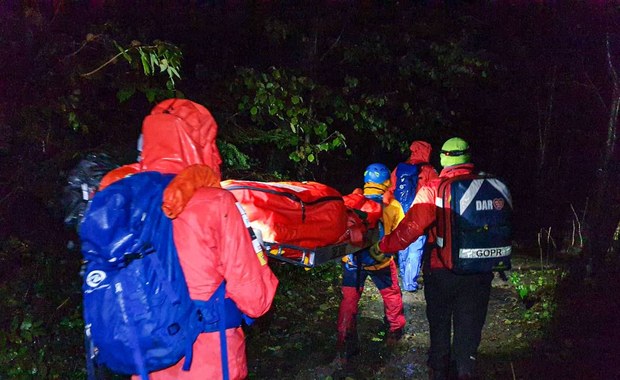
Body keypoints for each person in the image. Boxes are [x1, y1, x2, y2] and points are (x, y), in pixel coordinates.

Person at [124, 99, 279, 380]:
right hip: (209, 360)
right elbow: (256, 299)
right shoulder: (217, 203)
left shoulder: (125, 206)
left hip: (147, 360)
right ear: (203, 144)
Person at [371, 137, 493, 380]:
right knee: (468, 327)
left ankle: (438, 369)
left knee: (439, 324)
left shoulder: (433, 188)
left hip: (441, 270)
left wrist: (384, 245)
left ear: (444, 158)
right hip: (480, 269)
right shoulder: (487, 186)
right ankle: (465, 368)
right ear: (468, 157)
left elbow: (411, 228)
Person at [336, 163, 406, 361]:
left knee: (349, 299)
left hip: (352, 260)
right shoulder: (392, 206)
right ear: (386, 182)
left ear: (366, 181)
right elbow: (400, 232)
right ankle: (395, 330)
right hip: (380, 260)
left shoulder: (350, 201)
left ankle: (344, 336)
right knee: (391, 294)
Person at [388, 140, 438, 292]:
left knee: (403, 245)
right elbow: (435, 192)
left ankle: (404, 276)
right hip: (418, 213)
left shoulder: (400, 168)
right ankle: (410, 283)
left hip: (400, 213)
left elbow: (391, 189)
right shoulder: (429, 170)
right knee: (416, 249)